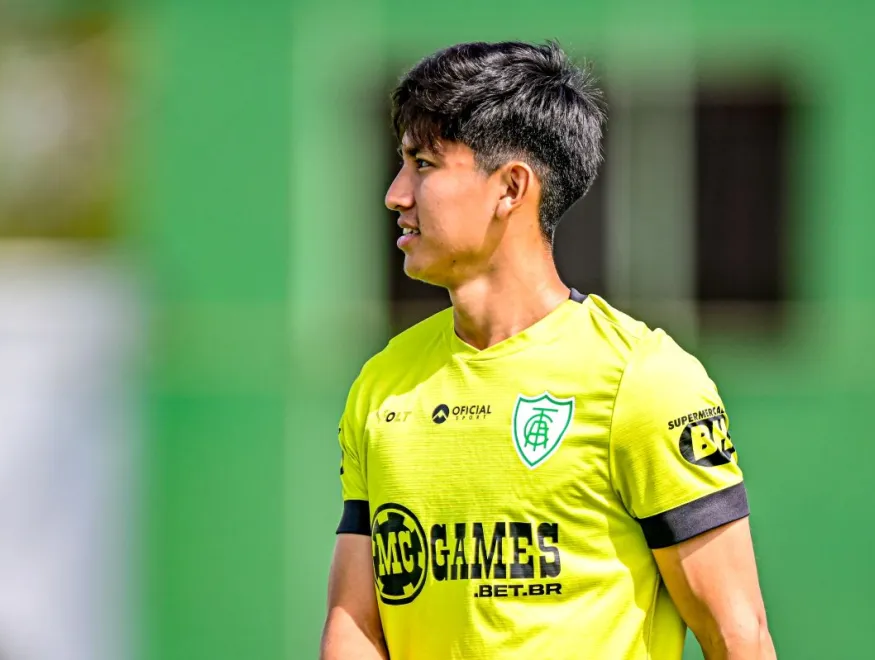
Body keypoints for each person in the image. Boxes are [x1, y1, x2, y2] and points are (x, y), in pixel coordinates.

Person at [321, 40, 776, 660]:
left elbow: (737, 634)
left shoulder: (642, 379)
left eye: (423, 164)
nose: (396, 194)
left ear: (510, 188)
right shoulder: (384, 386)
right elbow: (355, 625)